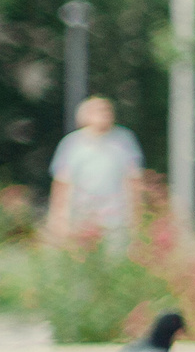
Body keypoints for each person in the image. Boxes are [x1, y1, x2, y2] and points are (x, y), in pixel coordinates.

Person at [47, 97, 145, 253]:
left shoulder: (124, 141)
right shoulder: (71, 144)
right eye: (99, 110)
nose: (105, 114)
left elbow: (134, 180)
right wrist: (58, 220)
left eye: (107, 110)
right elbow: (61, 184)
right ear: (85, 116)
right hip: (81, 217)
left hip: (116, 217)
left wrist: (137, 218)